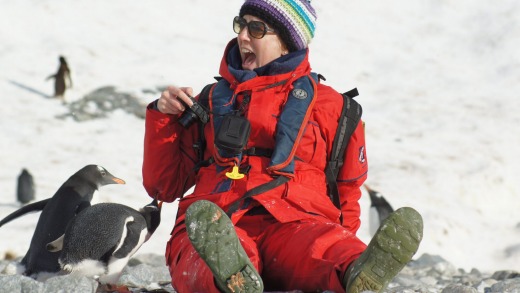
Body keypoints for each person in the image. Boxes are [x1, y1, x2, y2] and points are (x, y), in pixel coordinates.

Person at [142, 0, 423, 292]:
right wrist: (164, 118)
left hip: (295, 222)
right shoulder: (209, 101)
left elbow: (347, 193)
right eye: (241, 24)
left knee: (324, 247)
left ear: (287, 43)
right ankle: (232, 278)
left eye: (257, 28)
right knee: (201, 254)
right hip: (217, 220)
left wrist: (345, 238)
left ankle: (356, 270)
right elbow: (164, 186)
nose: (243, 36)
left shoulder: (334, 108)